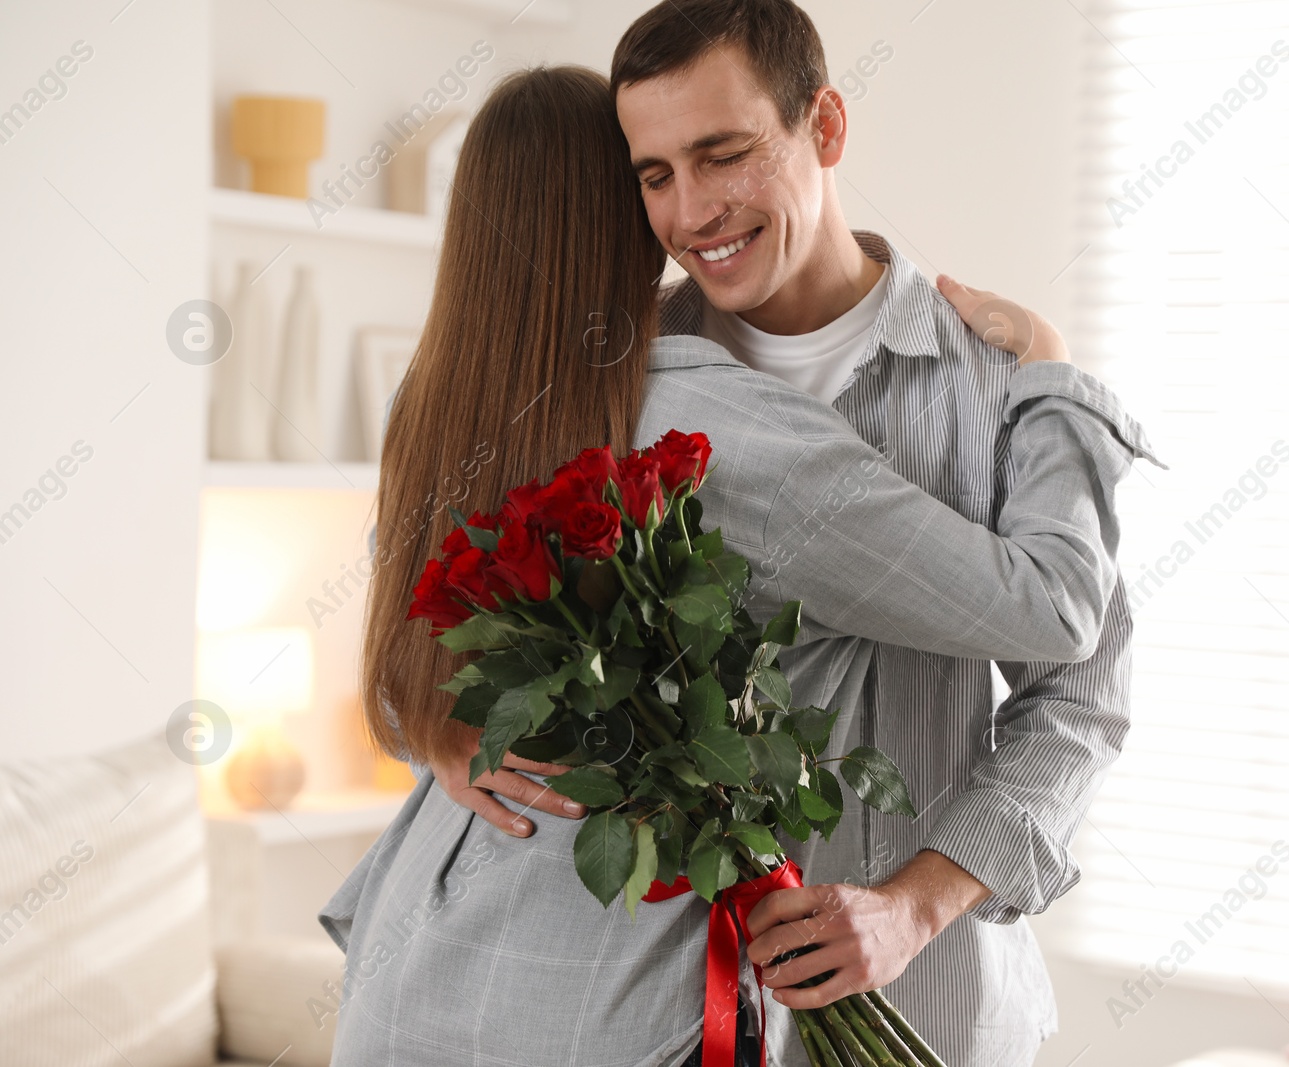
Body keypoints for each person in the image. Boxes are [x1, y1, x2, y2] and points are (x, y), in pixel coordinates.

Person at [321, 63, 1152, 1067]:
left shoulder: (455, 396)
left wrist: (916, 903)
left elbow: (1079, 689)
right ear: (620, 207)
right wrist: (444, 731)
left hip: (417, 973)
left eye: (721, 155)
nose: (689, 208)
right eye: (653, 175)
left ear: (825, 126)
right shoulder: (679, 408)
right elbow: (432, 658)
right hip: (623, 1000)